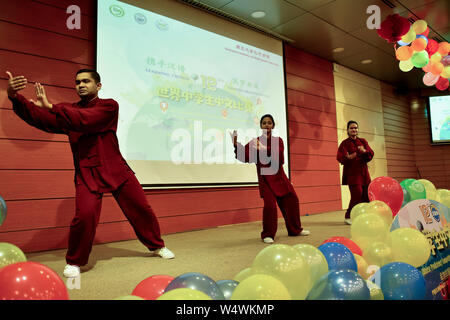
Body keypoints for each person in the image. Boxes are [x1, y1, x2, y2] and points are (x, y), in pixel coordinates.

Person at [6, 69, 174, 278]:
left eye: (86, 81)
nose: (81, 85)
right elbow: (40, 118)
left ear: (98, 86)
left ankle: (157, 246)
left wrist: (51, 106)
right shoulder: (67, 111)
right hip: (87, 173)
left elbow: (86, 119)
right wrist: (15, 97)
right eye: (77, 82)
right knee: (84, 217)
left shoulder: (109, 106)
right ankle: (75, 262)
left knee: (141, 208)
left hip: (117, 170)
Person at [230, 114, 310, 243]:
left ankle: (295, 230)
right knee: (270, 206)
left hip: (279, 177)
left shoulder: (278, 140)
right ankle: (268, 234)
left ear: (273, 125)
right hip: (265, 179)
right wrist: (236, 145)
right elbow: (244, 157)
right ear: (260, 126)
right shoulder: (254, 142)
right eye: (264, 123)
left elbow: (280, 158)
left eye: (269, 123)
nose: (266, 125)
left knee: (292, 200)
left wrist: (265, 149)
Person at [336, 120, 374, 225]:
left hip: (364, 173)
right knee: (357, 194)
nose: (354, 130)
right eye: (352, 128)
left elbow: (371, 154)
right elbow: (340, 157)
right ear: (348, 130)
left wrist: (365, 152)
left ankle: (364, 216)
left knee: (366, 195)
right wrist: (349, 157)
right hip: (352, 174)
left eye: (356, 128)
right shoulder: (344, 143)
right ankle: (348, 216)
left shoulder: (363, 141)